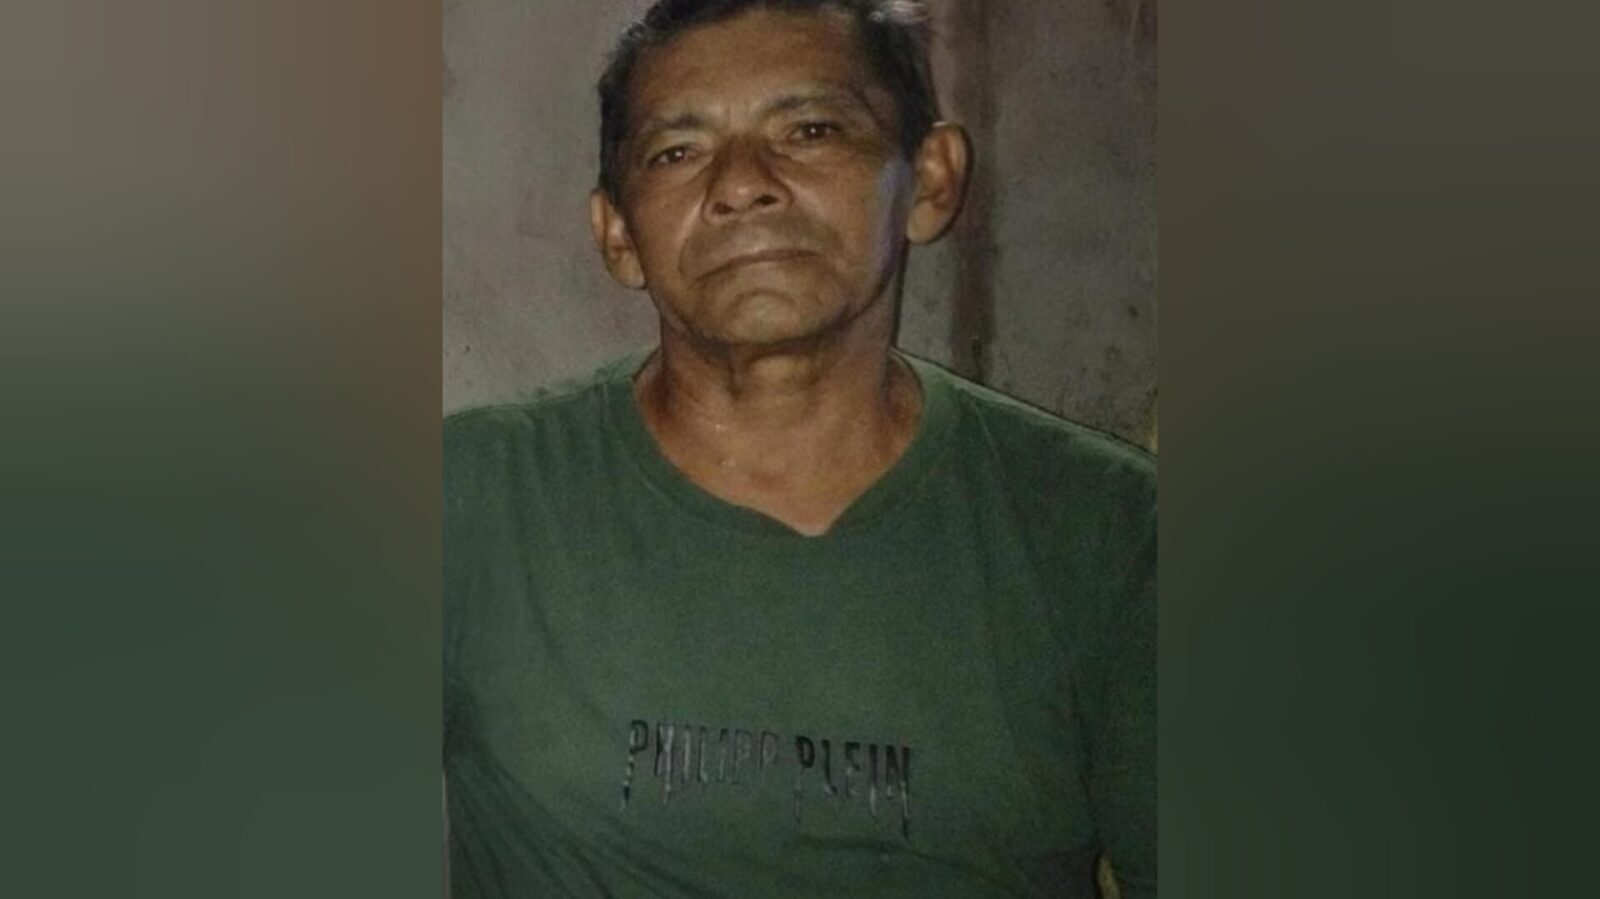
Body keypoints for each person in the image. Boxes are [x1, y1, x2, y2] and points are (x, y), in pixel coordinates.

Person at [443, 1, 1156, 896]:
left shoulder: (1110, 533)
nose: (743, 183)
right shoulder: (473, 499)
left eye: (811, 130)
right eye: (677, 151)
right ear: (617, 234)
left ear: (930, 181)